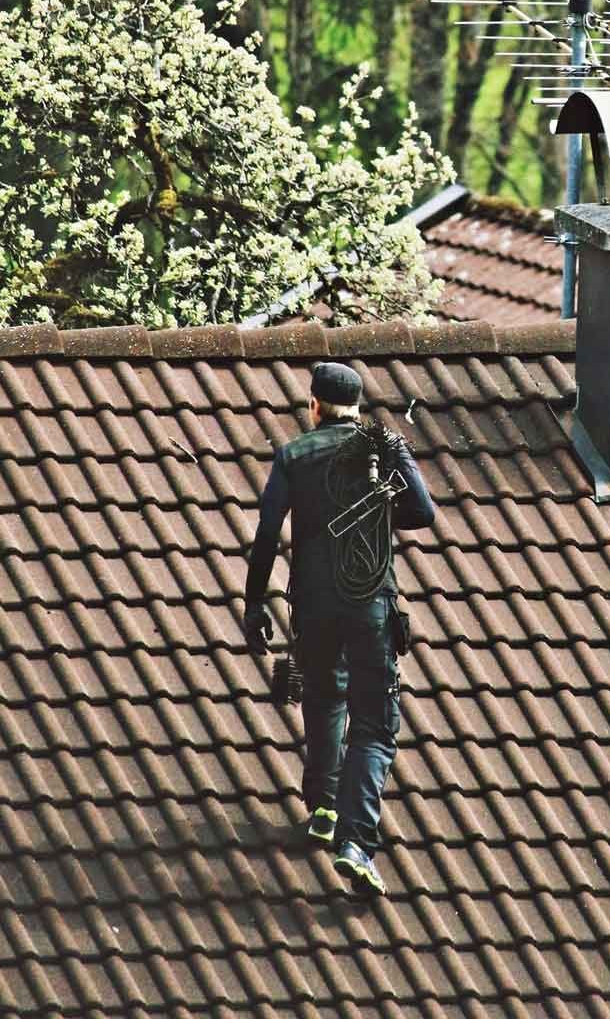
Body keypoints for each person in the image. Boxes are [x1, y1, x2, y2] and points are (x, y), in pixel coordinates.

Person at [243, 361, 435, 896]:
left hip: (313, 609)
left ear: (314, 406)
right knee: (375, 724)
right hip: (371, 607)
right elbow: (423, 513)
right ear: (357, 407)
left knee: (325, 697)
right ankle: (355, 841)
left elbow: (265, 533)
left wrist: (254, 603)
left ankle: (323, 807)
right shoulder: (381, 449)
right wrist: (380, 494)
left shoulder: (295, 455)